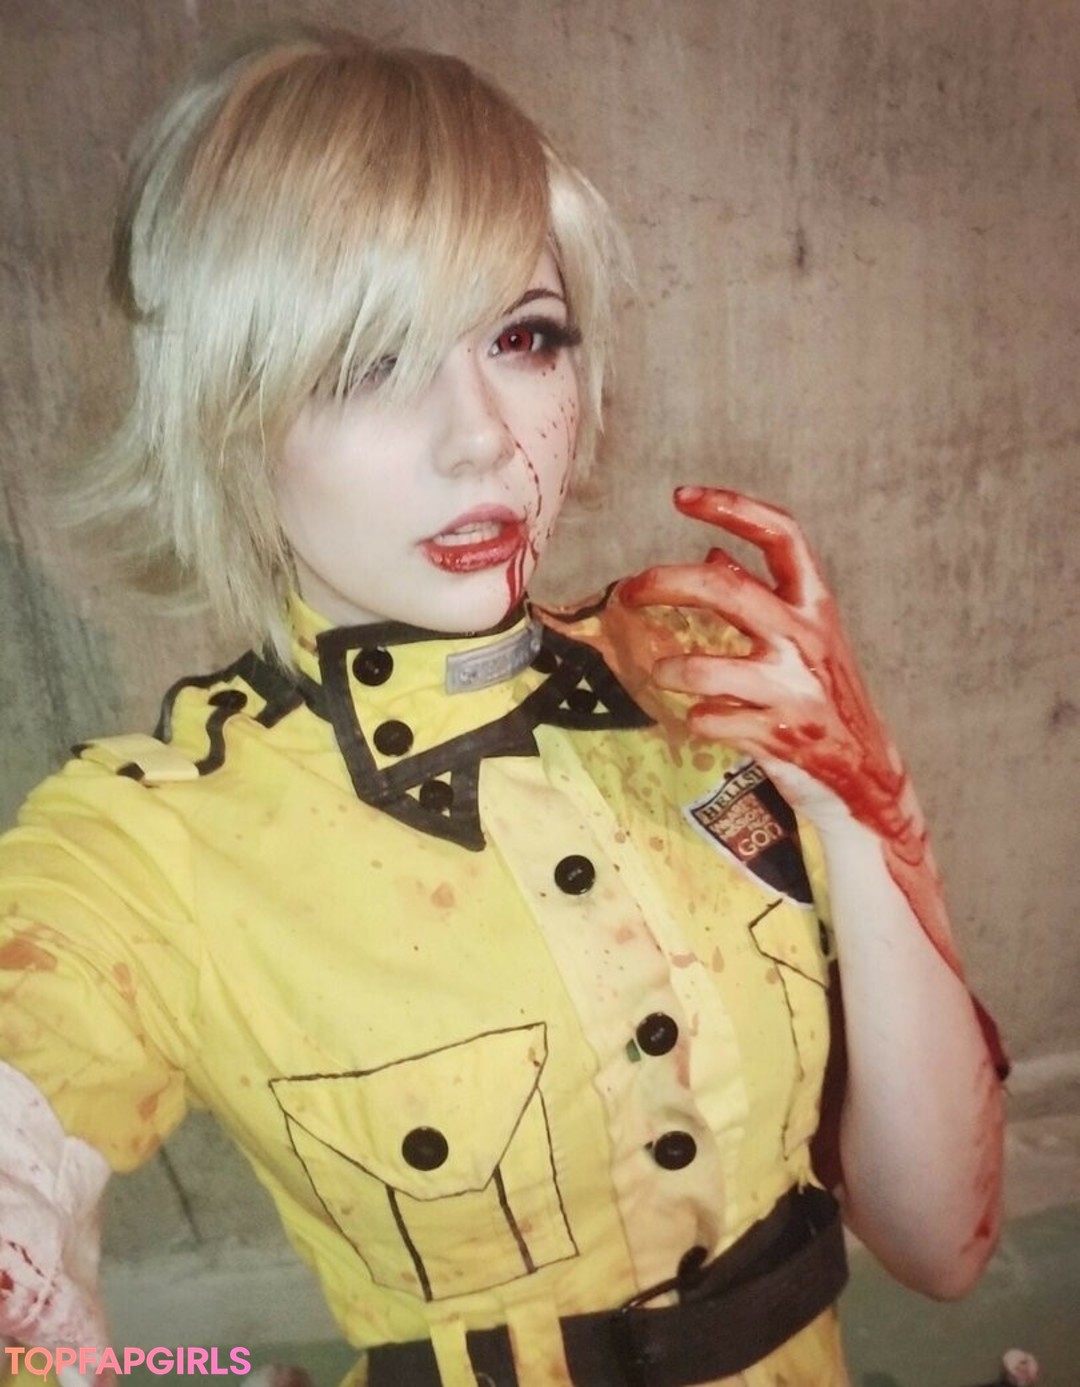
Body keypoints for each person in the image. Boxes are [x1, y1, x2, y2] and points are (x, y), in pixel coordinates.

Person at [0, 25, 1006, 1387]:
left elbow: (941, 1247)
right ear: (224, 408)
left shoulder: (705, 672)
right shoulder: (148, 844)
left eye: (524, 338)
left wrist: (871, 816)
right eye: (366, 359)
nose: (482, 436)